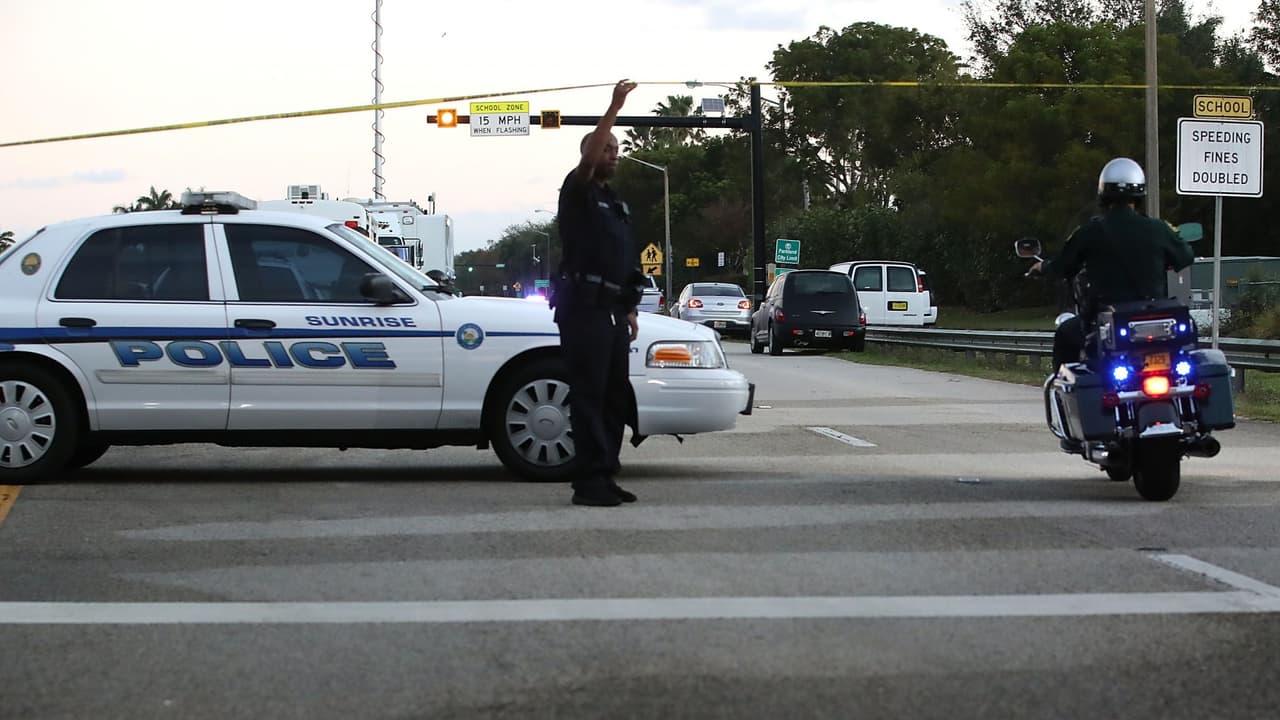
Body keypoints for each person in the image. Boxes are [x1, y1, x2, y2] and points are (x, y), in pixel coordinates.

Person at [551, 79, 646, 507]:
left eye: (616, 149)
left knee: (614, 395)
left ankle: (605, 474)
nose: (613, 154)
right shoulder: (578, 191)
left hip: (611, 310)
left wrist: (629, 308)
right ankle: (587, 481)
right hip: (583, 310)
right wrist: (615, 106)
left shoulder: (616, 203)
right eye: (607, 148)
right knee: (588, 394)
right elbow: (588, 159)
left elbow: (624, 260)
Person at [1029, 157, 1195, 371]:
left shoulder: (1089, 232)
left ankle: (1064, 390)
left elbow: (1062, 266)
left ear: (1103, 194)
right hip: (1157, 320)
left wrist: (1042, 267)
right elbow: (1186, 256)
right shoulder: (1159, 228)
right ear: (1139, 194)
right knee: (1189, 331)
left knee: (1064, 334)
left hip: (1107, 323)